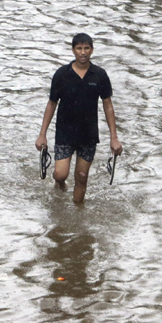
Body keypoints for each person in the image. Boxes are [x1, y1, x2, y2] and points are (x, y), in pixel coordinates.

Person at [35, 33, 123, 204]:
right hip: (65, 132)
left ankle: (78, 210)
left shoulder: (99, 75)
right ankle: (59, 184)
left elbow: (108, 105)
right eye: (79, 48)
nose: (83, 52)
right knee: (60, 173)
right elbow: (52, 104)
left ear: (92, 50)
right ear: (73, 50)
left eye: (86, 48)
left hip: (88, 134)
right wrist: (42, 134)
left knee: (82, 176)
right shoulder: (62, 74)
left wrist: (114, 138)